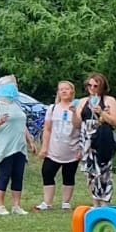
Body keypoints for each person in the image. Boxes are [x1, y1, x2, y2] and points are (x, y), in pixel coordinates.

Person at [0, 75, 30, 216]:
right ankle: (0, 206)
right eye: (13, 84)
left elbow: (22, 124)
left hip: (19, 146)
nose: (16, 87)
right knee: (4, 176)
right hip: (4, 146)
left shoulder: (16, 104)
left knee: (18, 176)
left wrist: (30, 141)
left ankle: (16, 205)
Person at [35, 82, 84, 211]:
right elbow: (47, 129)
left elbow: (79, 127)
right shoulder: (52, 108)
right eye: (61, 89)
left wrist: (80, 148)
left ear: (72, 91)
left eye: (66, 89)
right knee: (47, 172)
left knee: (68, 175)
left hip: (72, 148)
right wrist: (44, 147)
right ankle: (47, 202)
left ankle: (66, 202)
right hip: (54, 148)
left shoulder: (78, 108)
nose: (64, 91)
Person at [79, 72, 116, 205]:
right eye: (89, 85)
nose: (92, 88)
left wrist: (101, 112)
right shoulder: (83, 101)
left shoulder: (109, 100)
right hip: (87, 137)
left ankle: (105, 201)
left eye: (95, 86)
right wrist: (73, 112)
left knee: (104, 169)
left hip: (102, 136)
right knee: (90, 171)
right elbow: (77, 122)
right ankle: (95, 202)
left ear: (102, 86)